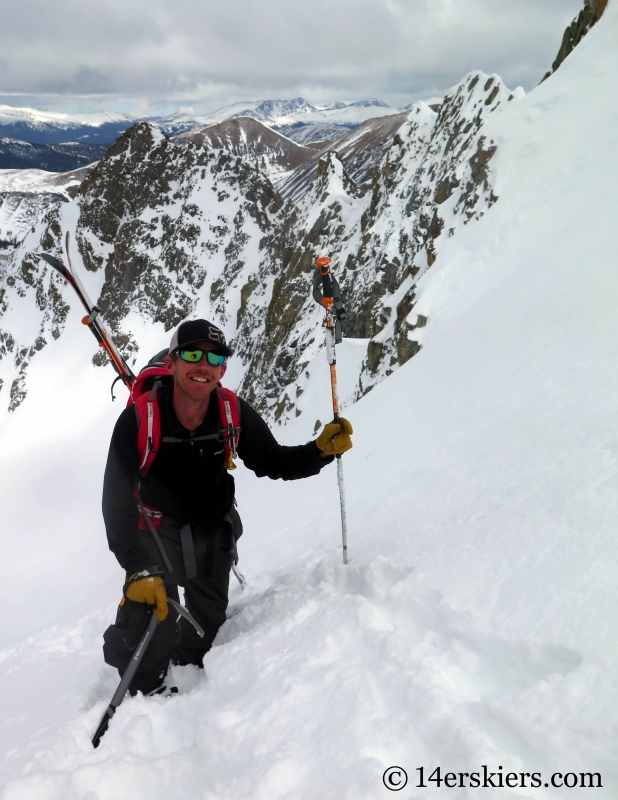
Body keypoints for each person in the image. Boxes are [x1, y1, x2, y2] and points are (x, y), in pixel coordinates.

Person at [102, 318, 353, 695]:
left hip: (212, 530)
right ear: (171, 364)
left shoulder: (231, 412)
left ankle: (183, 673)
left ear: (222, 369)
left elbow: (272, 460)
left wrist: (318, 452)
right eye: (191, 354)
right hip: (155, 535)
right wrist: (139, 569)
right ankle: (145, 686)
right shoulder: (139, 420)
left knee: (205, 632)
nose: (202, 365)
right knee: (146, 631)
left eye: (214, 357)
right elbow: (116, 505)